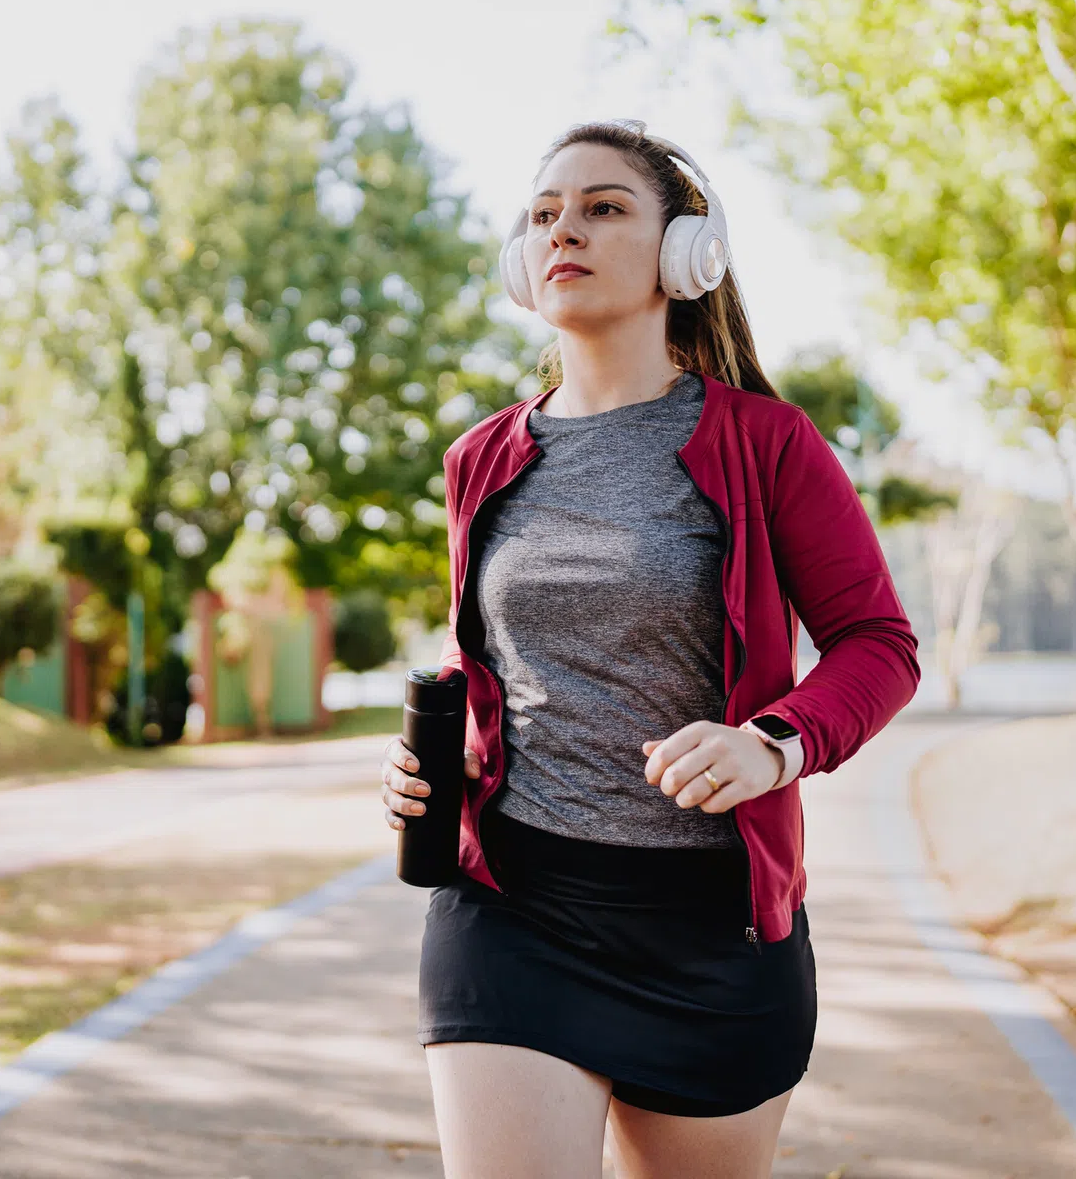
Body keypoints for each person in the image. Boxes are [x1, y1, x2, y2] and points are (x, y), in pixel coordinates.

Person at [379, 119, 921, 1179]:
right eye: (543, 215)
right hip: (513, 908)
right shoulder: (480, 457)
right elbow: (497, 652)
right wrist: (441, 743)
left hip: (710, 932)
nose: (563, 230)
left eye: (602, 207)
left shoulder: (767, 444)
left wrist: (775, 745)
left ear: (688, 255)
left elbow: (878, 644)